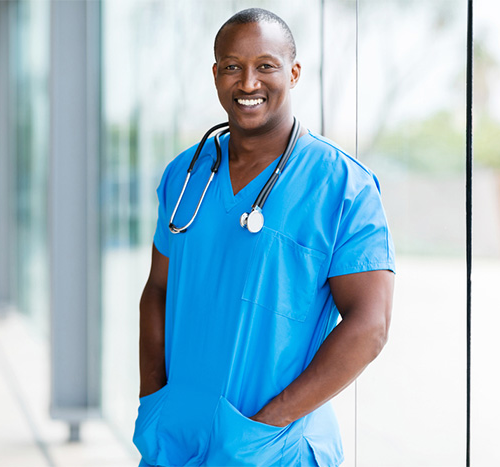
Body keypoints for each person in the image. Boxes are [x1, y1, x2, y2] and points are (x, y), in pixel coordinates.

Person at [133, 8, 395, 467]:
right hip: (175, 441)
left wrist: (263, 431)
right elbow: (157, 290)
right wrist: (153, 399)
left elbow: (369, 326)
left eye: (265, 66)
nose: (248, 82)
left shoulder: (343, 186)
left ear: (293, 73)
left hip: (275, 449)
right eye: (233, 66)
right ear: (216, 75)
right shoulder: (184, 174)